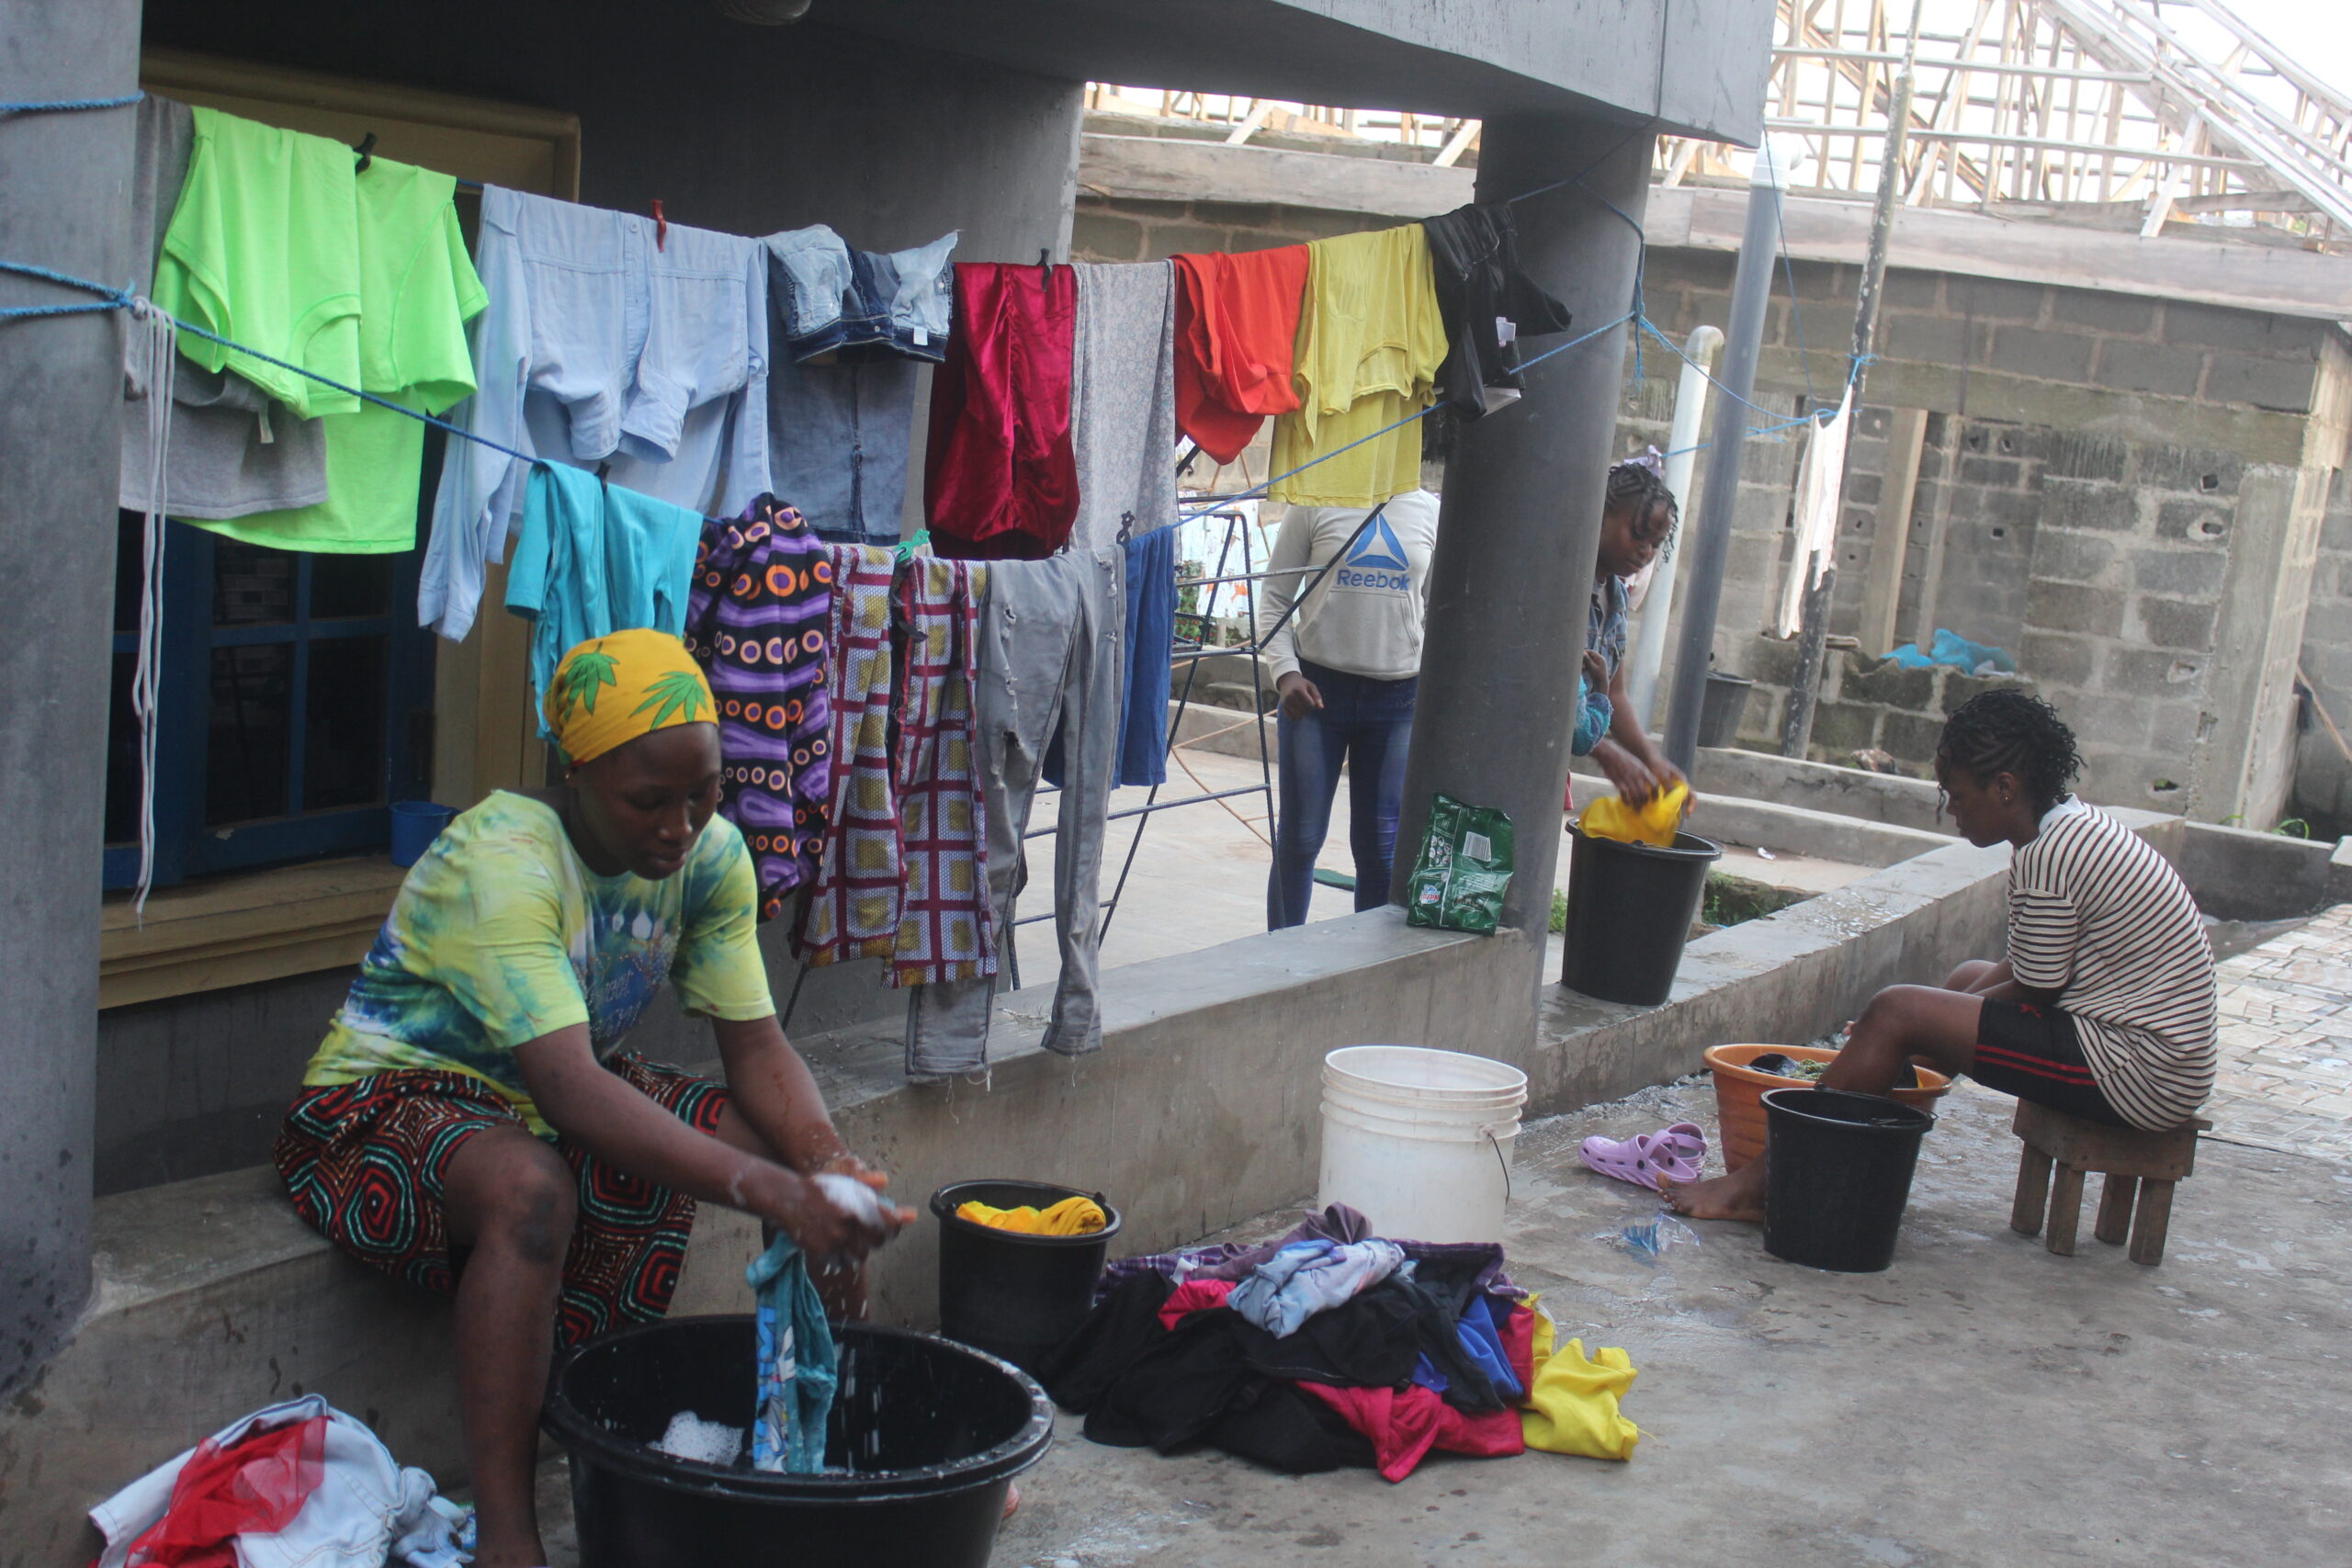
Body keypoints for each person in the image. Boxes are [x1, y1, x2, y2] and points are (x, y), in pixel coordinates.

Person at [275, 628, 910, 1568]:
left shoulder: (711, 857)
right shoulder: (503, 858)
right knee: (533, 1188)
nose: (680, 826)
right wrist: (777, 1192)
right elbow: (571, 1090)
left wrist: (823, 1166)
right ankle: (509, 1538)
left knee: (816, 1168)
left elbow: (756, 1045)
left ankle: (841, 1457)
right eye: (649, 801)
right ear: (574, 775)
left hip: (538, 1098)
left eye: (703, 794)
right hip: (379, 1104)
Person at [1665, 691, 2218, 1224]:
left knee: (1897, 1010)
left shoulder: (2052, 853)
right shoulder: (2068, 830)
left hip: (2139, 1073)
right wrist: (1920, 1023)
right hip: (2151, 1059)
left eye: (1957, 796)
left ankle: (1764, 1183)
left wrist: (1907, 1023)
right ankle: (1865, 1138)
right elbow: (2027, 969)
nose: (1949, 810)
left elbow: (2038, 988)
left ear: (2004, 787)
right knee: (1961, 981)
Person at [1257, 487, 1442, 929]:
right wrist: (1286, 673)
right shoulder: (1314, 501)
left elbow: (1438, 608)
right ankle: (1279, 958)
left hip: (1398, 700)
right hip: (1315, 695)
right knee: (1300, 838)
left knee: (1380, 846)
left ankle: (1368, 961)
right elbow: (1275, 598)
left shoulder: (1431, 512)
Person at [1574, 457, 1687, 810]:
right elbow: (1545, 694)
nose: (1645, 551)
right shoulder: (1567, 585)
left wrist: (1651, 760)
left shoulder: (1617, 597)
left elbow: (1616, 693)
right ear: (1600, 514)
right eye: (1638, 535)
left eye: (1656, 542)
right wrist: (1607, 754)